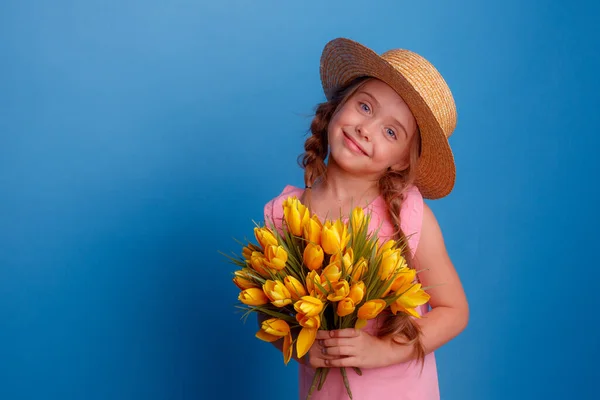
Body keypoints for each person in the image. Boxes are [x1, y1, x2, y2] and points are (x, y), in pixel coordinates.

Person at [260, 37, 469, 400]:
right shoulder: (285, 214)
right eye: (365, 107)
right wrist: (303, 349)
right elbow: (270, 313)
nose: (366, 128)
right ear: (339, 105)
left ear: (401, 160)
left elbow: (453, 311)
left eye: (391, 132)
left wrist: (383, 351)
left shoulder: (407, 214)